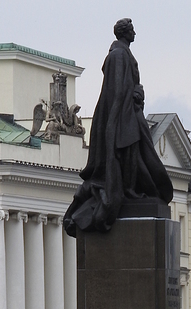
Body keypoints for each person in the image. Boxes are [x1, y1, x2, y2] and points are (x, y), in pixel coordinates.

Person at [64, 18, 173, 237]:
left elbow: (128, 86)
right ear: (124, 33)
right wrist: (116, 121)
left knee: (140, 153)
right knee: (131, 152)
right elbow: (116, 90)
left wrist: (138, 93)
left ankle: (134, 190)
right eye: (132, 30)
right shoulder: (118, 55)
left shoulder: (123, 53)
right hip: (123, 115)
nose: (135, 33)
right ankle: (130, 190)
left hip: (129, 112)